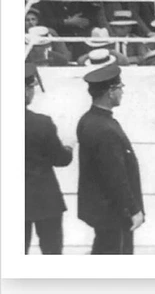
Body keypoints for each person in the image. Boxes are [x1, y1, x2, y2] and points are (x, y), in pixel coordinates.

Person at [76, 64, 144, 254]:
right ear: (110, 92)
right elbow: (115, 175)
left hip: (102, 210)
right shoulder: (105, 128)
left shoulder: (88, 119)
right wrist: (133, 209)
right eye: (120, 87)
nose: (122, 91)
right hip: (114, 212)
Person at [25, 63, 72, 254]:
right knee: (52, 252)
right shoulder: (41, 123)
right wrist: (69, 147)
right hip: (45, 199)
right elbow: (61, 159)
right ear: (26, 91)